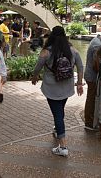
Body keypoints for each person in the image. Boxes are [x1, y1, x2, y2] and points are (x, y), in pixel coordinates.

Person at [31, 26, 83, 157]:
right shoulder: (72, 50)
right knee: (59, 110)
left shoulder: (46, 51)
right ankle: (57, 128)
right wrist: (79, 83)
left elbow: (38, 66)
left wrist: (35, 76)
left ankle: (63, 146)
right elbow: (80, 66)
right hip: (67, 87)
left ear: (52, 36)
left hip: (51, 88)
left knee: (58, 115)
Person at [84, 29, 101, 130]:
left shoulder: (96, 40)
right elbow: (96, 64)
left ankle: (90, 120)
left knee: (91, 98)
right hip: (92, 76)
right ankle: (89, 122)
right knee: (91, 99)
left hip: (89, 75)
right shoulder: (97, 45)